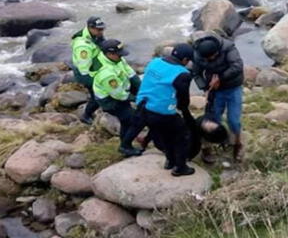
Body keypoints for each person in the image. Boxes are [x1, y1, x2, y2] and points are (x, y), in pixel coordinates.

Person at [136, 43, 196, 177]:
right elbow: (183, 100)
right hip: (162, 112)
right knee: (182, 136)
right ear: (186, 60)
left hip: (144, 107)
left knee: (164, 135)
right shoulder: (182, 74)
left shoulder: (155, 62)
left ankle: (170, 161)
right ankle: (180, 167)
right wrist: (184, 112)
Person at [192, 32, 245, 162]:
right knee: (210, 120)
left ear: (217, 51)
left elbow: (237, 66)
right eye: (207, 58)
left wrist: (220, 78)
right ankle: (207, 148)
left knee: (234, 120)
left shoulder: (228, 48)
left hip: (233, 87)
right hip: (215, 91)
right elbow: (196, 73)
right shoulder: (198, 54)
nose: (210, 59)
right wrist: (205, 87)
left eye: (213, 56)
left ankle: (237, 144)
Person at [91, 39, 143, 157]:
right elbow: (119, 94)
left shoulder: (116, 58)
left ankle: (125, 143)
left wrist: (141, 88)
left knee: (126, 120)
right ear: (109, 54)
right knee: (137, 121)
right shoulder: (106, 73)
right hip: (110, 101)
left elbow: (130, 73)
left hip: (119, 92)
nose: (121, 56)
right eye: (119, 54)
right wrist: (137, 99)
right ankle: (125, 147)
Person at [71, 16, 106, 125]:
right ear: (90, 28)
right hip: (85, 72)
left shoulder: (95, 35)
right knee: (98, 95)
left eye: (102, 29)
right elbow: (84, 69)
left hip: (94, 66)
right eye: (99, 29)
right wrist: (98, 80)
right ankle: (86, 115)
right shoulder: (82, 46)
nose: (101, 32)